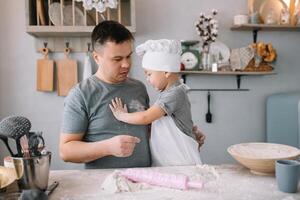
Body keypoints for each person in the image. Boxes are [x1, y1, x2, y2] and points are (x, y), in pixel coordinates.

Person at [59, 20, 205, 169]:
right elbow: (66, 151)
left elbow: (150, 131)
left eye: (128, 56)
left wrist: (183, 136)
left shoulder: (139, 88)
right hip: (105, 184)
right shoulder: (80, 94)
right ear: (97, 58)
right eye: (117, 59)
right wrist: (107, 147)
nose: (126, 64)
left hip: (147, 179)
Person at [109, 39, 202, 166]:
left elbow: (146, 117)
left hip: (180, 162)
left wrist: (122, 115)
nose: (147, 79)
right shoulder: (168, 93)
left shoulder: (174, 94)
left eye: (149, 74)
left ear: (166, 72)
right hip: (171, 163)